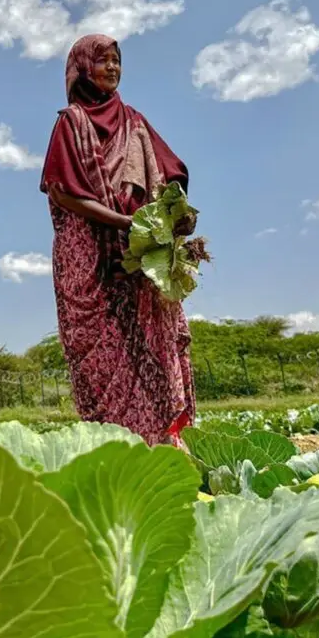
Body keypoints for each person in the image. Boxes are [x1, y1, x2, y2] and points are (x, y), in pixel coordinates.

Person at [40, 34, 196, 447]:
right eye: (102, 60)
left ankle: (160, 448)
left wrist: (174, 216)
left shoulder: (135, 122)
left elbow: (171, 174)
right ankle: (115, 450)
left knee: (151, 346)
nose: (111, 68)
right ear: (82, 68)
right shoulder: (70, 122)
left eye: (117, 61)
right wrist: (122, 221)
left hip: (136, 259)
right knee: (100, 359)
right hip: (89, 258)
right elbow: (62, 191)